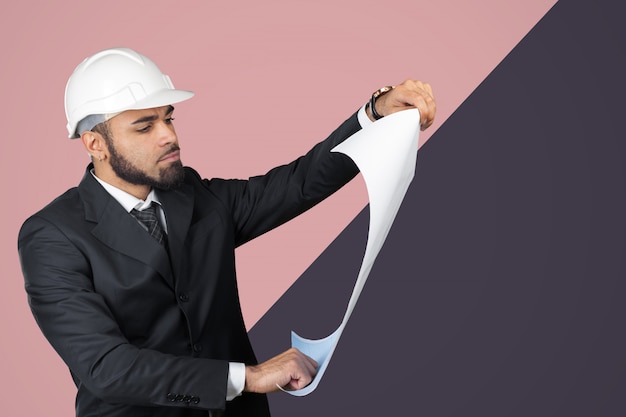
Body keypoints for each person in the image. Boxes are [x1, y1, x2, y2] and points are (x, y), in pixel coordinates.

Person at [18, 47, 436, 417]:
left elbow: (298, 183)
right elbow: (105, 368)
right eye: (144, 127)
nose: (170, 136)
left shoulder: (192, 194)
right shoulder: (52, 236)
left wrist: (375, 114)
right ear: (95, 144)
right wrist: (247, 378)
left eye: (168, 118)